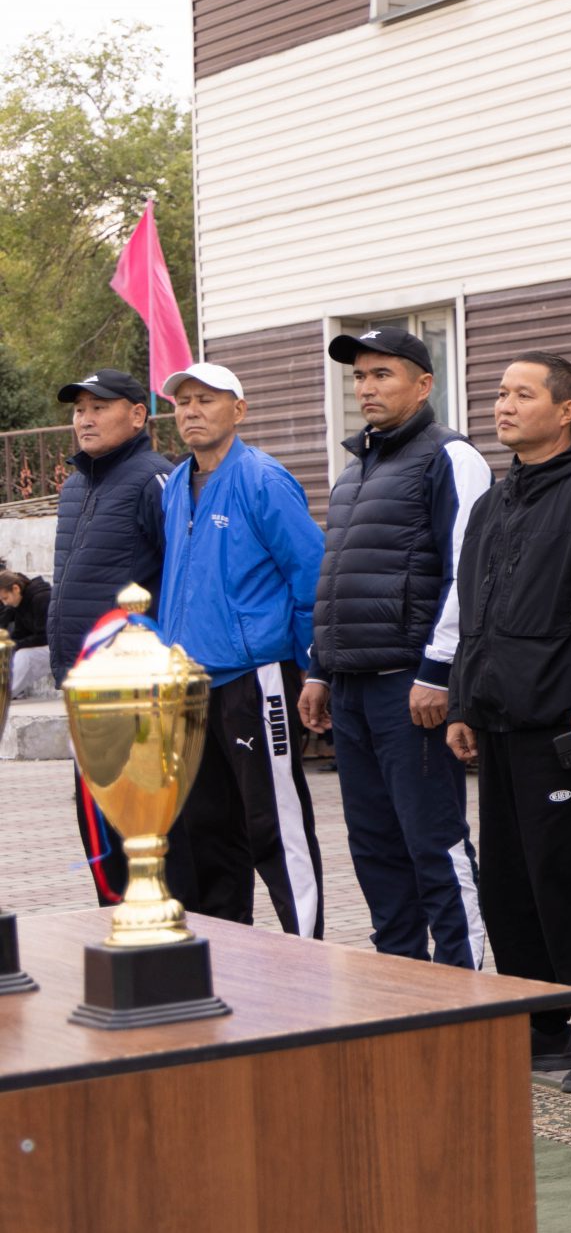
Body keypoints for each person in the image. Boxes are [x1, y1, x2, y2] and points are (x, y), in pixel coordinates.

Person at [446, 353, 571, 1093]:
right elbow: (474, 612)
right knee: (509, 883)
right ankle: (542, 1021)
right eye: (500, 394)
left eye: (522, 394)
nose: (504, 406)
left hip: (566, 728)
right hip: (499, 722)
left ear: (565, 410)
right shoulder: (493, 504)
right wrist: (463, 702)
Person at [298, 326, 491, 967]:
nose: (366, 388)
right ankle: (401, 985)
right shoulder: (355, 471)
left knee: (434, 843)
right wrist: (319, 669)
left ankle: (465, 993)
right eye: (359, 376)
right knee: (375, 849)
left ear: (423, 384)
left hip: (410, 689)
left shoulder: (451, 457)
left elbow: (468, 573)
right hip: (351, 690)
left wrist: (437, 672)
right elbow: (338, 579)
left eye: (382, 374)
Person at [154, 363, 328, 936]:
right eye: (183, 402)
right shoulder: (176, 484)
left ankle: (306, 951)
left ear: (239, 410)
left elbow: (310, 575)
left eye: (206, 399)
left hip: (256, 679)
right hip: (189, 686)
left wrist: (310, 668)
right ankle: (227, 954)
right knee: (207, 831)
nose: (192, 411)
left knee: (273, 823)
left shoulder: (263, 479)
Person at [48, 368, 176, 903]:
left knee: (142, 830)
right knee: (99, 830)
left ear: (138, 415)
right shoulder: (74, 485)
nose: (85, 419)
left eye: (99, 407)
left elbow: (180, 576)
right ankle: (117, 924)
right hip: (85, 687)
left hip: (138, 692)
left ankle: (160, 931)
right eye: (79, 410)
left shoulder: (156, 480)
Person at [0, 572, 51, 694]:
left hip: (60, 648)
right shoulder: (20, 602)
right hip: (44, 646)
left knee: (24, 656)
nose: (5, 603)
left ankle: (4, 694)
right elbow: (20, 633)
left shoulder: (41, 598)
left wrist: (16, 645)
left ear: (16, 589)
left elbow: (45, 636)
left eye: (5, 598)